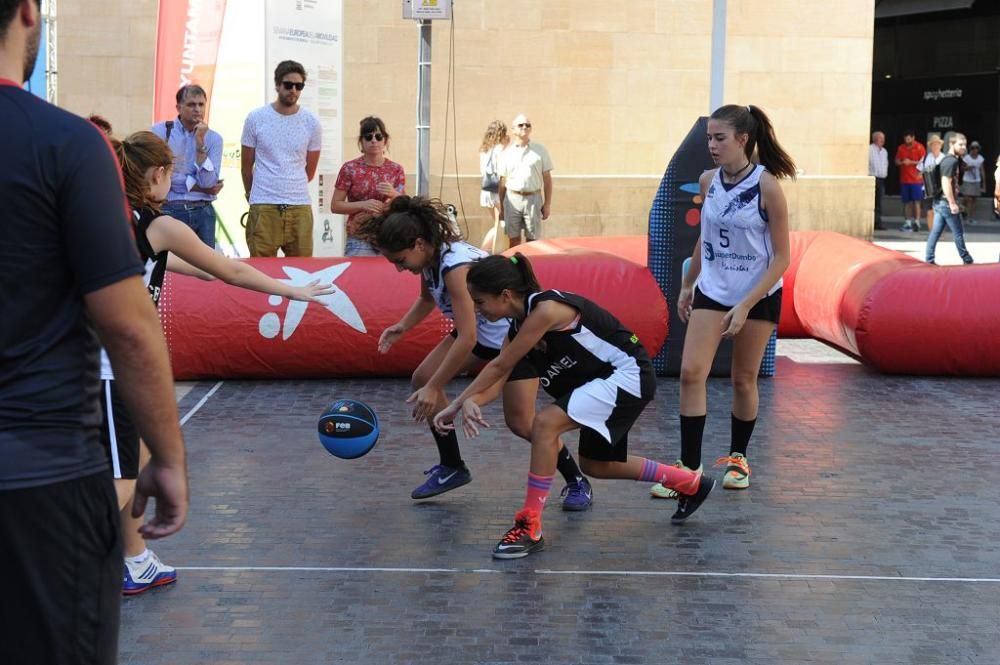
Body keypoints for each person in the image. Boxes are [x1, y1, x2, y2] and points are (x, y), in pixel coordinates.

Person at [1, 2, 188, 662]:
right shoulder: (67, 143)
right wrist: (167, 456)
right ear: (29, 12)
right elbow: (129, 326)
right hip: (40, 480)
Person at [105, 130, 333, 594]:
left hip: (120, 366)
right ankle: (66, 561)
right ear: (158, 175)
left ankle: (134, 557)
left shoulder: (117, 223)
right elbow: (229, 269)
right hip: (113, 370)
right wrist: (293, 290)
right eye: (172, 172)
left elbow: (205, 270)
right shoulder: (159, 225)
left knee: (140, 464)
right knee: (122, 480)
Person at [432, 254, 714, 558]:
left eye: (480, 301)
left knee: (545, 423)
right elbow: (499, 380)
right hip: (601, 383)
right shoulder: (516, 331)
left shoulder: (546, 309)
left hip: (627, 374)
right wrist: (472, 401)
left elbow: (499, 365)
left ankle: (530, 524)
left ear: (505, 295)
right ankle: (690, 484)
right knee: (598, 466)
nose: (476, 309)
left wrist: (457, 403)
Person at [356, 196, 593, 509]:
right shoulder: (430, 259)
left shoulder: (456, 269)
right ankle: (452, 466)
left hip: (513, 339)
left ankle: (577, 480)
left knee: (522, 424)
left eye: (400, 261)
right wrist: (403, 326)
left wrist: (436, 387)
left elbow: (466, 339)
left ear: (418, 244)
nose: (400, 269)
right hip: (482, 334)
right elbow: (428, 300)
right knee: (423, 377)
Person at [650, 104, 793, 501]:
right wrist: (687, 283)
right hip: (714, 290)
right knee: (691, 373)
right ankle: (689, 468)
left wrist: (747, 304)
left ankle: (738, 458)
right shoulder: (707, 180)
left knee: (743, 379)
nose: (711, 145)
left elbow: (782, 257)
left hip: (758, 292)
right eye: (709, 138)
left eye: (719, 138)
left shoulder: (768, 186)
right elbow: (705, 239)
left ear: (743, 140)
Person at [241, 60, 323, 257]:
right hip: (264, 206)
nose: (293, 90)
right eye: (288, 85)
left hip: (300, 206)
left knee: (302, 272)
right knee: (260, 273)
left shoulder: (312, 123)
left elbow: (309, 172)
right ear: (277, 85)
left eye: (299, 86)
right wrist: (253, 195)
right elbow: (246, 167)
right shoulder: (256, 118)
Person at [152, 84, 224, 248]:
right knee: (170, 268)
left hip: (203, 211)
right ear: (179, 107)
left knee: (206, 269)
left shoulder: (213, 139)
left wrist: (200, 143)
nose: (197, 109)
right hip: (170, 209)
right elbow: (158, 177)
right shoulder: (161, 132)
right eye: (191, 105)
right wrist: (197, 187)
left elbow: (208, 183)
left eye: (201, 104)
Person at [331, 116, 406, 256]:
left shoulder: (396, 169)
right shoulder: (350, 168)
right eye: (368, 137)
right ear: (361, 142)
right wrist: (363, 205)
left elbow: (405, 206)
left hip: (389, 236)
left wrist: (394, 194)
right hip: (360, 236)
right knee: (358, 277)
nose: (374, 141)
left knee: (387, 278)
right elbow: (335, 205)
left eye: (378, 136)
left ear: (385, 140)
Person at [497, 113, 553, 247]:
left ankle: (530, 266)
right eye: (520, 125)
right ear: (513, 130)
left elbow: (547, 179)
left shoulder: (541, 150)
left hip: (533, 199)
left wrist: (547, 204)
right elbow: (502, 182)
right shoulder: (506, 153)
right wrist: (502, 208)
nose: (524, 127)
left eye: (528, 125)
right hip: (512, 200)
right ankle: (514, 267)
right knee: (513, 240)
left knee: (532, 241)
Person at [925, 132, 974, 265]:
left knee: (935, 232)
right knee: (958, 233)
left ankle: (929, 259)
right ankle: (967, 259)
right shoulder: (949, 161)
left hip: (940, 202)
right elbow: (945, 181)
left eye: (965, 144)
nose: (964, 147)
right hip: (946, 202)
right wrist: (952, 203)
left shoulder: (954, 159)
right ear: (951, 144)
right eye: (960, 144)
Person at [478, 120, 509, 253]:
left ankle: (486, 251)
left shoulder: (484, 150)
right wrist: (507, 145)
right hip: (497, 192)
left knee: (498, 223)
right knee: (500, 224)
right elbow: (503, 170)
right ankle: (486, 252)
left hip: (486, 190)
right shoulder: (500, 149)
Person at [895, 129, 926, 232]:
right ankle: (907, 222)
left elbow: (924, 162)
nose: (907, 140)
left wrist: (911, 162)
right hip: (904, 179)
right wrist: (901, 162)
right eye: (905, 139)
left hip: (916, 180)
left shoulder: (920, 147)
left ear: (913, 138)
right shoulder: (901, 148)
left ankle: (917, 222)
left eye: (909, 138)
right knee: (906, 202)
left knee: (917, 201)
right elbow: (896, 161)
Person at [918, 134, 945, 232]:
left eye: (937, 144)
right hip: (928, 189)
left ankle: (939, 233)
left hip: (941, 189)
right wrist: (925, 174)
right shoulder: (925, 158)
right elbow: (918, 174)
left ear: (940, 146)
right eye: (933, 144)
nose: (935, 146)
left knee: (940, 212)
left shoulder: (944, 158)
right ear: (930, 146)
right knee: (930, 212)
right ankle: (932, 234)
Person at [960, 140, 985, 225]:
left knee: (974, 200)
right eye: (973, 148)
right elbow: (962, 168)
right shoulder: (967, 158)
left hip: (976, 180)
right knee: (968, 198)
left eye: (976, 148)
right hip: (967, 180)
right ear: (971, 148)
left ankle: (970, 217)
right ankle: (963, 210)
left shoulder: (980, 158)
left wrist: (983, 183)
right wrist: (968, 168)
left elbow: (982, 170)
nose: (975, 149)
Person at [868, 130, 888, 231]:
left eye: (883, 138)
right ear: (875, 139)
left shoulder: (884, 151)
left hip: (881, 179)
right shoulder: (869, 149)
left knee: (879, 202)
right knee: (871, 202)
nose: (883, 140)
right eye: (881, 138)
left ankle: (878, 222)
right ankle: (871, 222)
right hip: (872, 178)